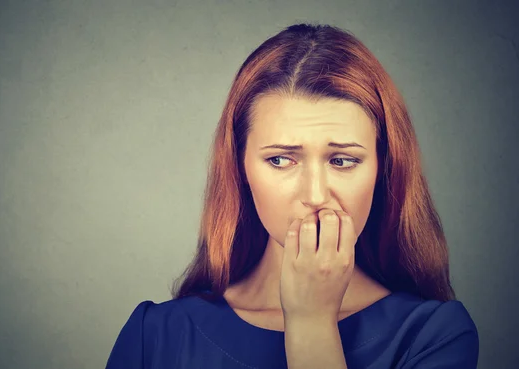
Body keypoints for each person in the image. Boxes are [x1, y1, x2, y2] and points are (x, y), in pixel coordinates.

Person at [105, 23, 479, 369]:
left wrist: (311, 322)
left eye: (343, 160)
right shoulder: (154, 336)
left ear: (383, 170)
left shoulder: (433, 337)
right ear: (241, 168)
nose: (315, 195)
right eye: (281, 159)